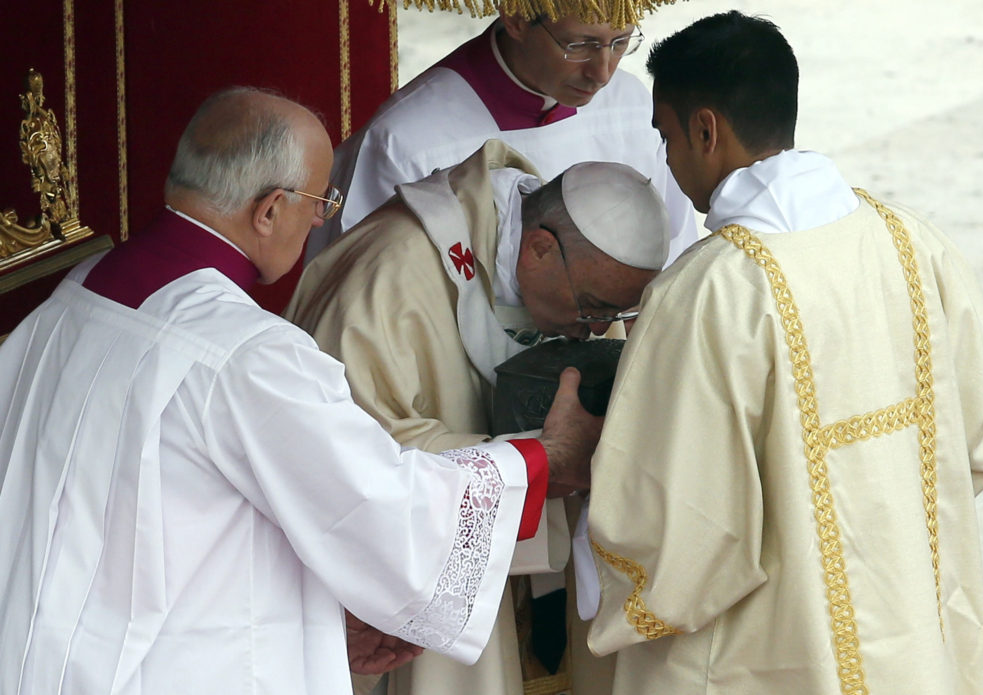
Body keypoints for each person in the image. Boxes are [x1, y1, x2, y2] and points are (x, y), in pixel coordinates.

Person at [0, 87, 603, 695]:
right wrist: (540, 461)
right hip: (170, 666)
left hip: (46, 648)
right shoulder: (242, 352)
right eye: (320, 201)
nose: (321, 219)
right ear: (269, 210)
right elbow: (378, 506)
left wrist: (322, 620)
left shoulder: (78, 295)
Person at [582, 11, 983, 695]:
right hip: (915, 643)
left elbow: (672, 540)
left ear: (705, 129)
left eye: (665, 138)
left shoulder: (707, 292)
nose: (667, 162)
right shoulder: (911, 244)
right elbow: (977, 440)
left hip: (774, 656)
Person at [284, 138, 670, 695]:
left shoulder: (582, 272)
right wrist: (538, 459)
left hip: (531, 588)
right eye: (594, 309)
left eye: (616, 314)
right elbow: (344, 460)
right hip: (413, 607)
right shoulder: (390, 270)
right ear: (538, 249)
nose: (596, 328)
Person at [303, 0, 697, 266]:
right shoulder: (406, 141)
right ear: (517, 20)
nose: (603, 72)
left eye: (620, 43)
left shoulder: (632, 105)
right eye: (580, 45)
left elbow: (675, 244)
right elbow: (361, 300)